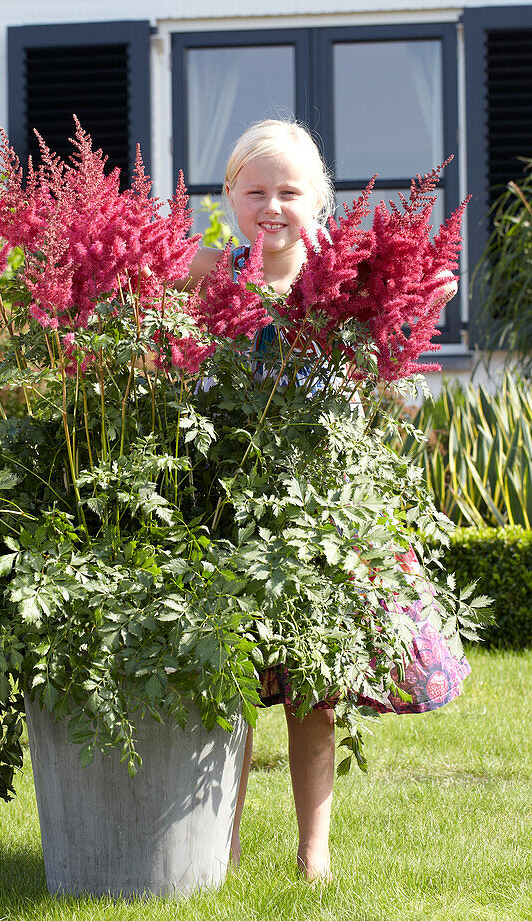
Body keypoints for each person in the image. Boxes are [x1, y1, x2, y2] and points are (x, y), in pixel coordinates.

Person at [184, 119, 467, 882]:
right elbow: (133, 272)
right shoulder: (214, 271)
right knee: (232, 690)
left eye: (289, 192)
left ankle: (314, 855)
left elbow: (421, 295)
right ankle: (222, 846)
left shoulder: (340, 280)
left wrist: (421, 293)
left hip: (322, 518)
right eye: (254, 192)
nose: (271, 205)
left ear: (318, 201)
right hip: (231, 508)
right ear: (230, 198)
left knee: (313, 696)